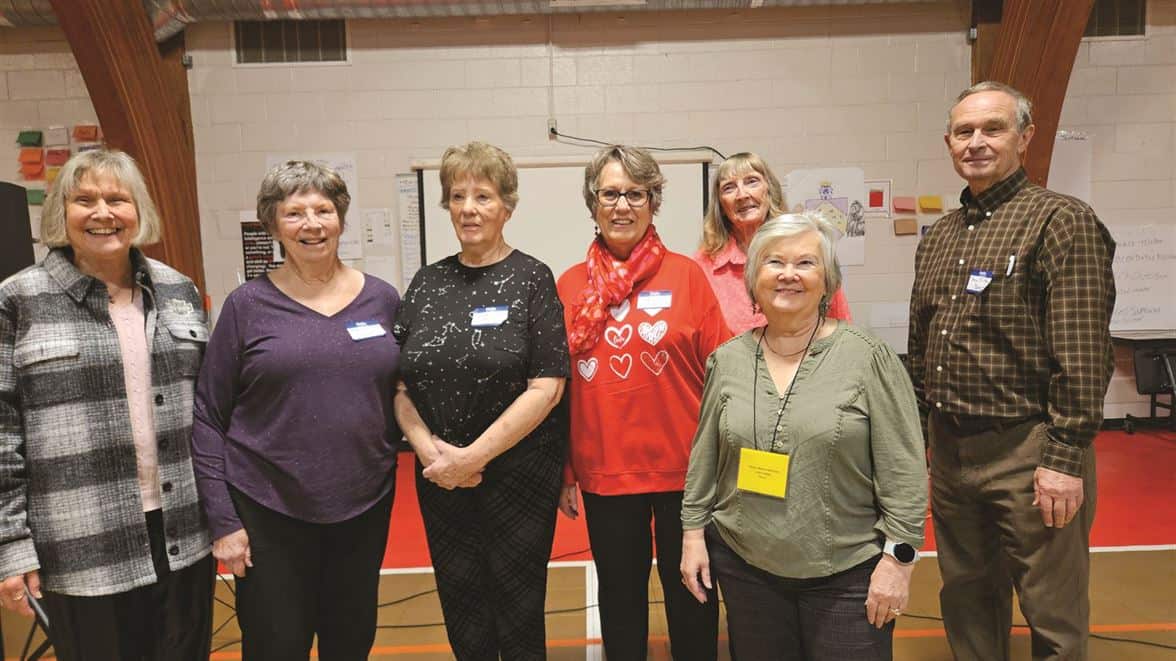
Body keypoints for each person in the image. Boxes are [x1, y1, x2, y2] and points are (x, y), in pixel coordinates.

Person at [908, 81, 1116, 661]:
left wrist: (1064, 458)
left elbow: (1082, 352)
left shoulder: (1060, 221)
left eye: (992, 129)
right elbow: (922, 344)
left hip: (1029, 449)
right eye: (964, 131)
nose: (976, 142)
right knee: (968, 595)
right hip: (952, 451)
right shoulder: (942, 236)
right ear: (948, 142)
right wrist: (923, 439)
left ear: (1025, 138)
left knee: (1052, 606)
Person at [681, 212, 927, 660]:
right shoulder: (727, 361)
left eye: (806, 263)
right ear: (754, 278)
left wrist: (898, 562)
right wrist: (693, 534)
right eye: (774, 262)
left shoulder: (867, 358)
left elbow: (904, 471)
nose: (788, 274)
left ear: (828, 280)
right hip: (747, 570)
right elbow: (706, 459)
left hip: (848, 576)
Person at [0, 149, 213, 659]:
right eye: (84, 200)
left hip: (183, 535)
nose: (103, 213)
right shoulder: (18, 299)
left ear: (139, 210)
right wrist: (11, 548)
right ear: (60, 212)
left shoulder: (178, 291)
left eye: (117, 199)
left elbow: (210, 411)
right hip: (81, 545)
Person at [193, 160, 401, 660]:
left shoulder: (382, 299)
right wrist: (223, 522)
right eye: (295, 213)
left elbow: (403, 394)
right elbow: (208, 416)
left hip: (363, 507)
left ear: (341, 219)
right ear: (273, 226)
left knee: (350, 643)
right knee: (276, 646)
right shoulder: (247, 306)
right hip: (269, 510)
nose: (312, 224)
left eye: (324, 210)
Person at [392, 141, 568, 660]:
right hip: (439, 477)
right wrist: (431, 454)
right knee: (461, 603)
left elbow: (548, 386)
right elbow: (400, 386)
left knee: (516, 612)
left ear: (506, 208)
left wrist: (473, 457)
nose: (469, 208)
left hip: (518, 477)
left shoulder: (533, 278)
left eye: (483, 196)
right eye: (458, 196)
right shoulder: (426, 283)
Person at [557, 144, 730, 660]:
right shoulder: (568, 286)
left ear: (653, 201)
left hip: (687, 474)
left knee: (694, 595)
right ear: (593, 204)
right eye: (609, 193)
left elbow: (722, 377)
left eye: (635, 193)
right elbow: (556, 388)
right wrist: (566, 470)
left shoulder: (687, 277)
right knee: (619, 600)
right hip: (606, 472)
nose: (621, 205)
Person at [694, 152, 851, 333]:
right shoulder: (703, 266)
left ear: (770, 191)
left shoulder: (808, 246)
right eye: (729, 188)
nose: (742, 195)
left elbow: (840, 325)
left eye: (752, 181)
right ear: (720, 205)